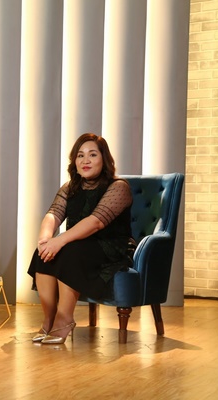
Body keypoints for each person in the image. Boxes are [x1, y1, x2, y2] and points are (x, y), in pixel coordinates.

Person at [27, 133, 135, 344]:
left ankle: (64, 319)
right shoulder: (70, 187)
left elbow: (96, 222)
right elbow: (53, 214)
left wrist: (60, 241)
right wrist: (45, 240)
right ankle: (49, 319)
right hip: (78, 243)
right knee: (43, 253)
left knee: (69, 251)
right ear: (74, 161)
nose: (86, 160)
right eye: (80, 155)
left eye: (92, 155)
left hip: (110, 247)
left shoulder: (118, 187)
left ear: (104, 159)